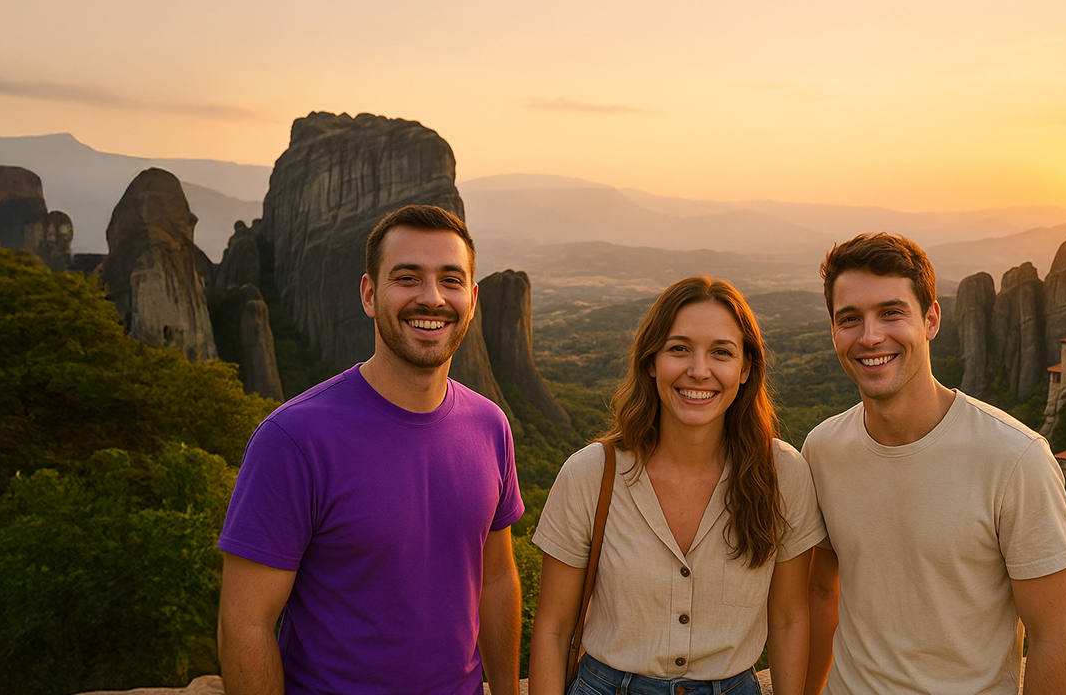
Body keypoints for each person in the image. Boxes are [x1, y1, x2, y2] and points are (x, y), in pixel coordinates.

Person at [216, 205, 523, 695]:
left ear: (472, 298)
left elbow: (497, 577)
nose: (431, 298)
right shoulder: (294, 439)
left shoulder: (490, 425)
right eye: (407, 278)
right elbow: (246, 623)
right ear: (369, 294)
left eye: (451, 280)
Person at [802, 233, 1066, 695]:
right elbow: (821, 592)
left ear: (931, 319)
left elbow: (1054, 635)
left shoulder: (1014, 457)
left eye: (892, 313)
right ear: (833, 329)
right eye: (849, 319)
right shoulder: (823, 448)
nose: (870, 337)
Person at [529, 276, 826, 695]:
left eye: (720, 352)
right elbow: (554, 628)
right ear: (651, 362)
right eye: (679, 349)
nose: (698, 370)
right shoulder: (589, 474)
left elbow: (789, 619)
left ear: (745, 369)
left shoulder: (783, 474)